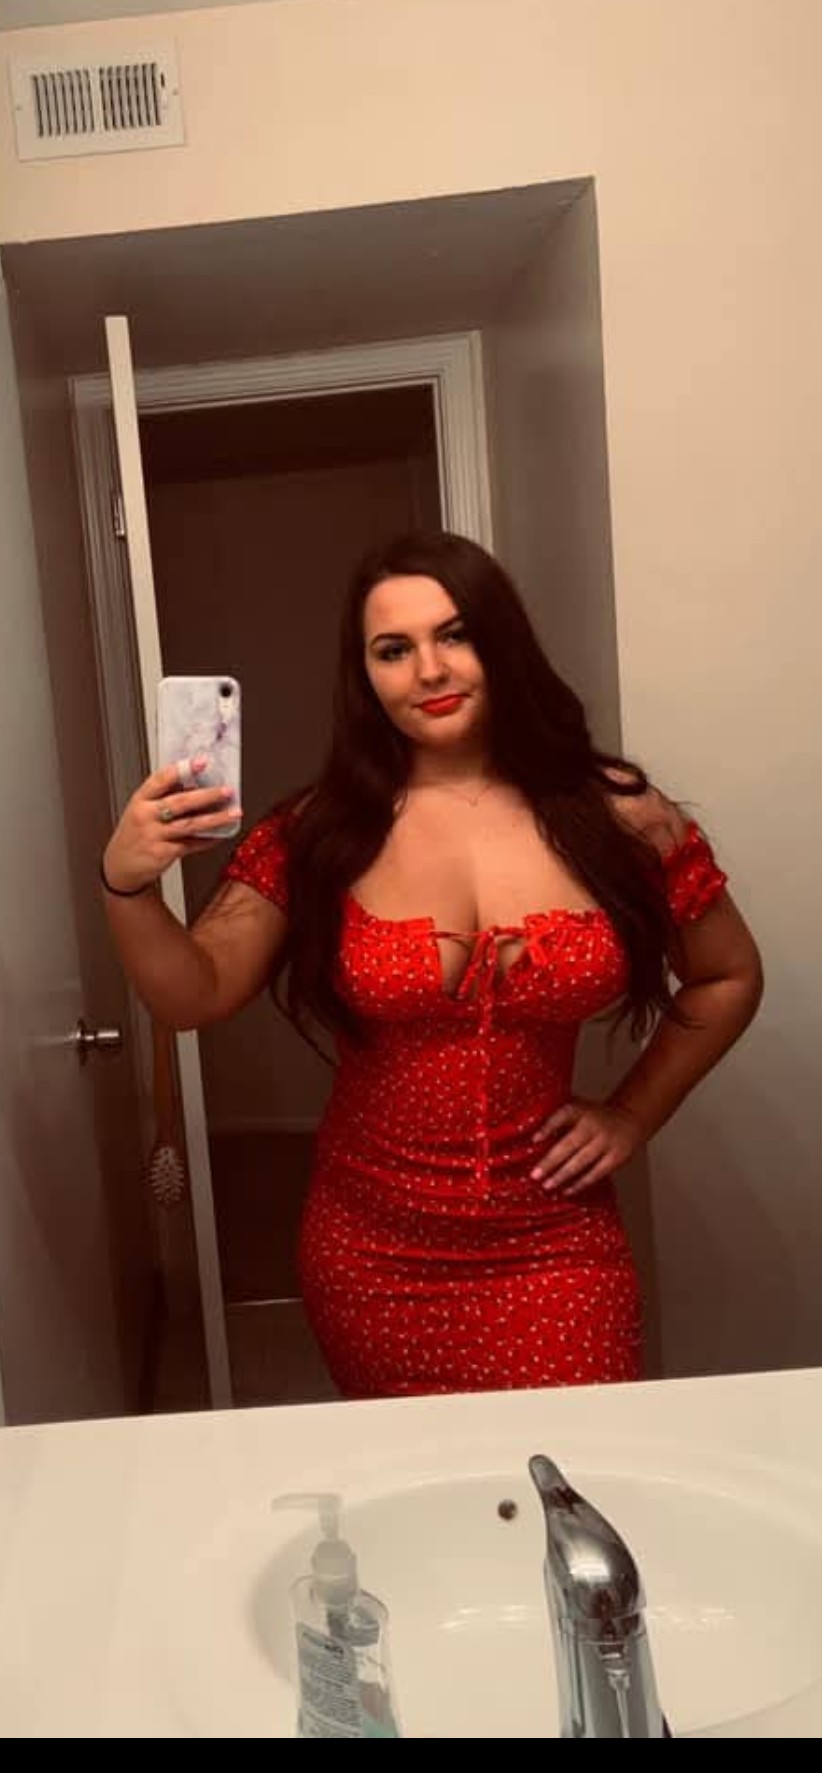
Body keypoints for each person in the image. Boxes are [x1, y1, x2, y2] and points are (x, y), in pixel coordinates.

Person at [101, 531, 762, 1398]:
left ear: (502, 640)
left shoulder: (618, 813)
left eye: (455, 634)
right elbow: (195, 993)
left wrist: (632, 1115)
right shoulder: (319, 834)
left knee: (570, 1465)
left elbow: (728, 974)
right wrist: (128, 883)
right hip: (372, 1253)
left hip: (556, 1244)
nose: (429, 670)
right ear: (364, 676)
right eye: (393, 649)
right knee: (421, 1478)